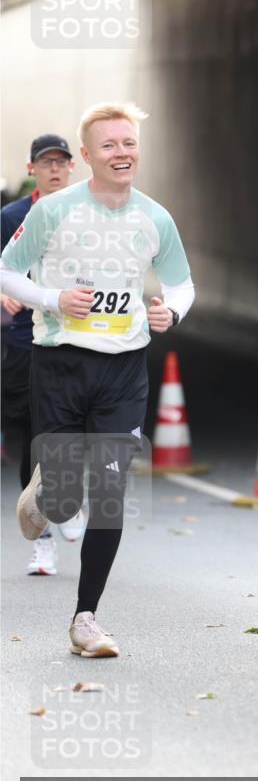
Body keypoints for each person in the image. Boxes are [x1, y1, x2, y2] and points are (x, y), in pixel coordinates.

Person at [0, 102, 194, 658]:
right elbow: (8, 269)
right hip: (59, 362)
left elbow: (181, 285)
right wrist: (52, 297)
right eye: (108, 145)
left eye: (128, 142)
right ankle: (45, 497)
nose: (121, 152)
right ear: (87, 156)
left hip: (123, 368)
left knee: (109, 494)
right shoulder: (53, 211)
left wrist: (170, 312)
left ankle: (87, 618)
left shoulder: (155, 218)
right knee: (63, 503)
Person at [1, 134, 86, 576]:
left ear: (73, 167)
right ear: (32, 167)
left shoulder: (87, 214)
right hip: (24, 342)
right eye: (45, 162)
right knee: (34, 439)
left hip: (76, 338)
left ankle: (69, 499)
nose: (54, 169)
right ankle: (43, 539)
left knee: (74, 430)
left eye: (61, 162)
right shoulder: (13, 216)